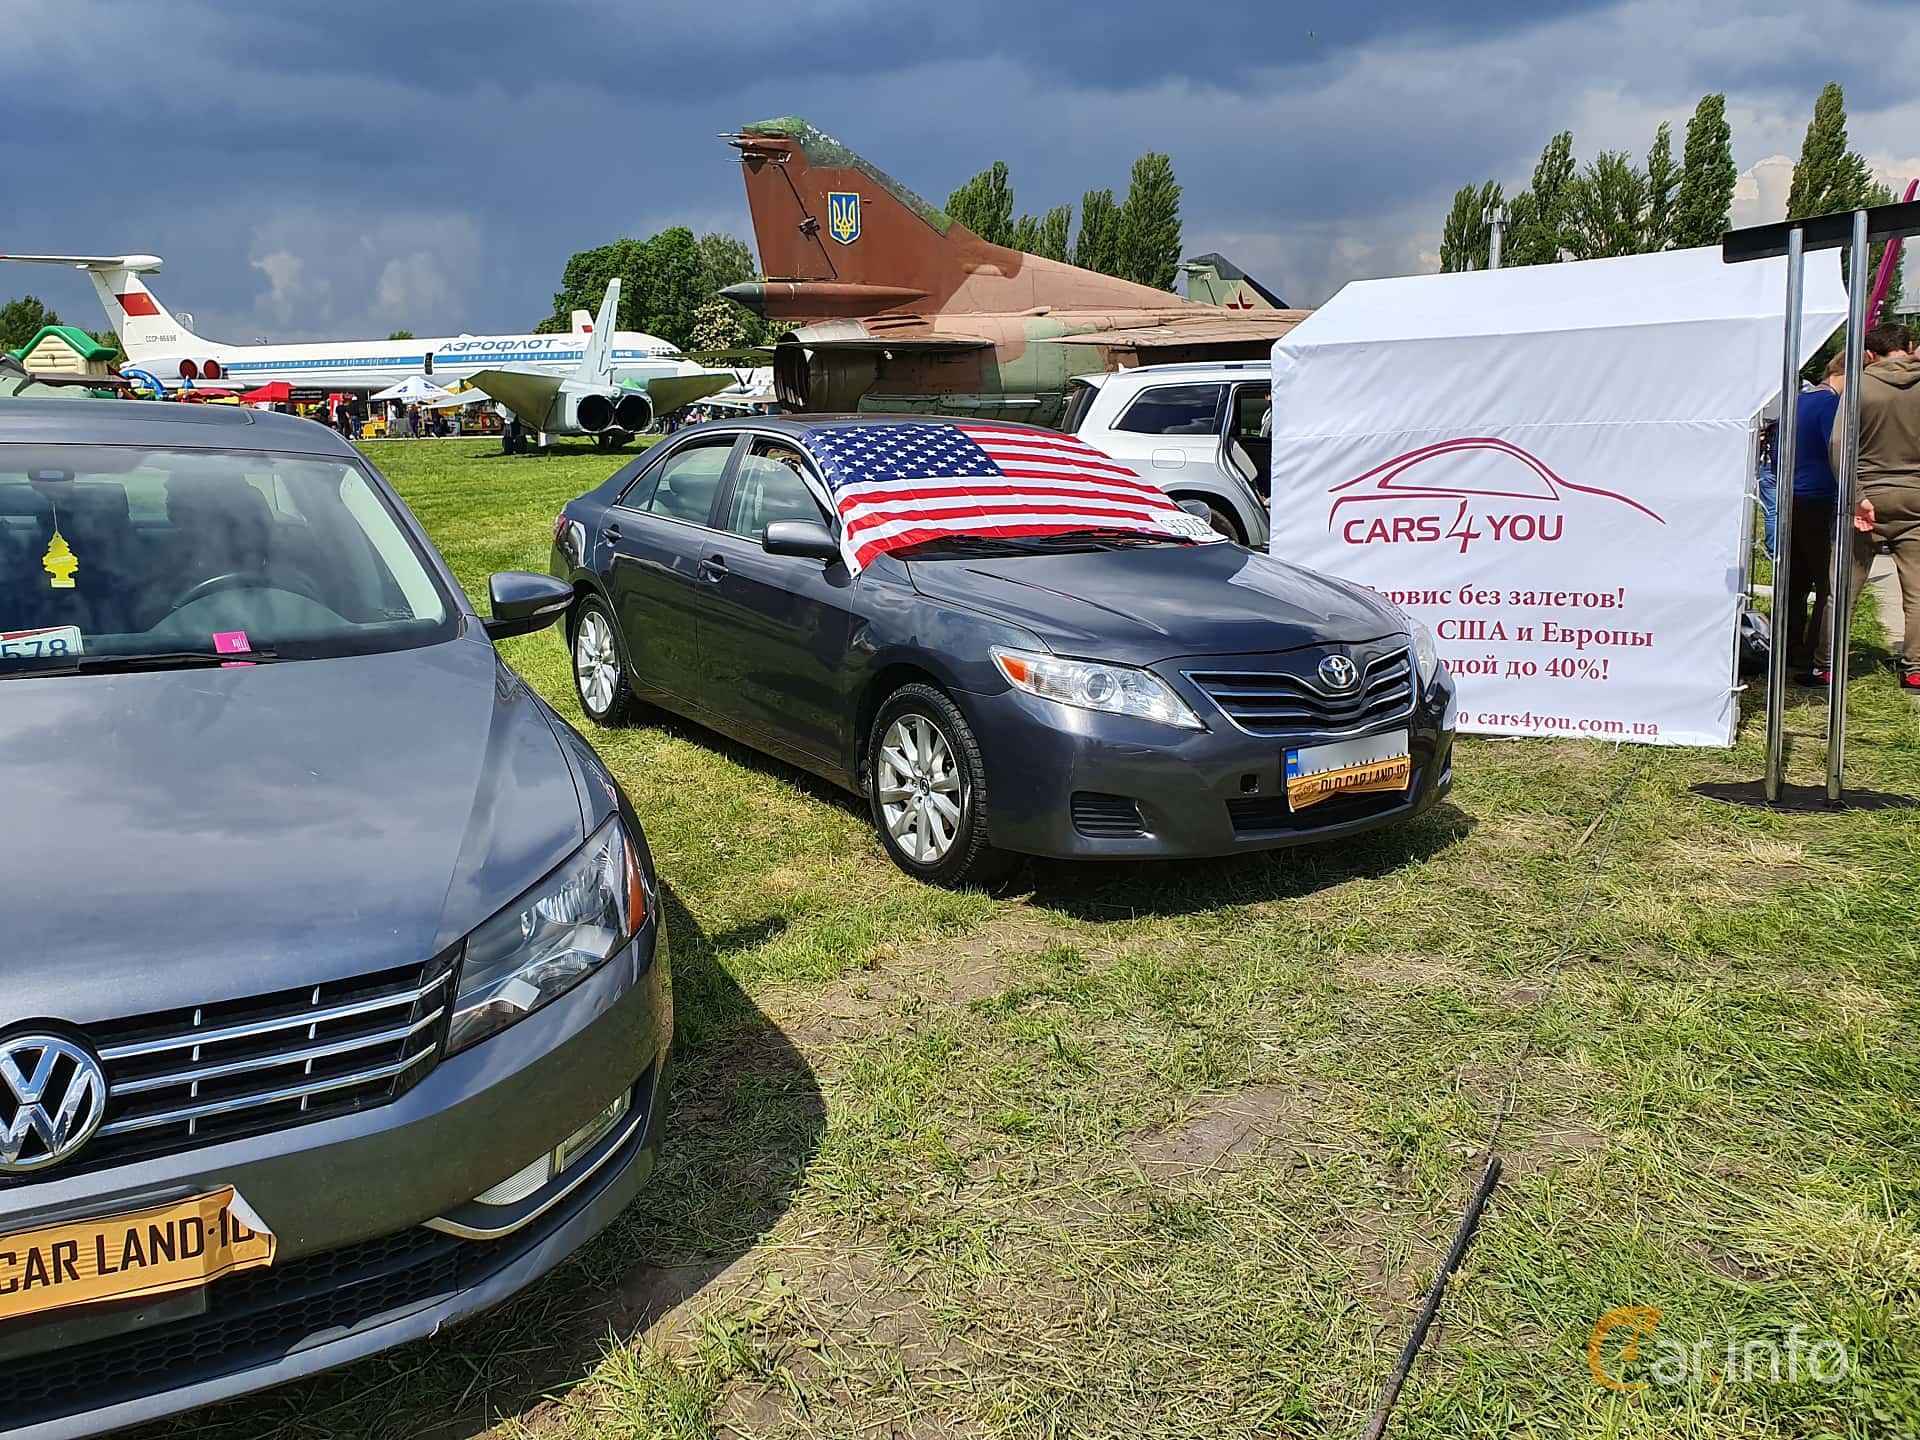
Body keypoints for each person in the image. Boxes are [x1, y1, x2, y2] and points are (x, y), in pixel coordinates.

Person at [1824, 323, 1920, 689]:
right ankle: (1914, 668)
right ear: (1909, 347)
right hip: (1915, 496)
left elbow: (1839, 446)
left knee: (1844, 587)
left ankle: (1828, 665)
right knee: (1916, 590)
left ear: (1867, 355)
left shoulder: (1859, 386)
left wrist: (1856, 496)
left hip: (1867, 496)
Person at [1780, 353, 1844, 681]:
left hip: (1793, 496)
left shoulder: (1799, 401)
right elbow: (1836, 449)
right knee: (1827, 583)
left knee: (1796, 579)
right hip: (1821, 498)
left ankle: (1787, 646)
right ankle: (1811, 652)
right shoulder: (1831, 406)